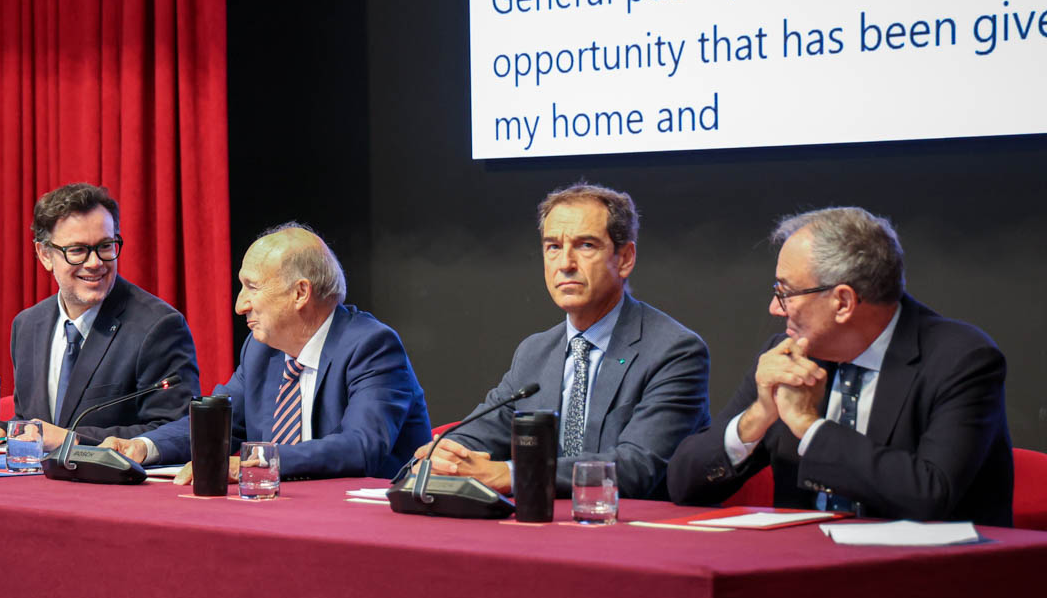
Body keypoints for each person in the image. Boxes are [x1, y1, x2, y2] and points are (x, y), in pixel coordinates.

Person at [667, 207, 1013, 526]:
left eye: (785, 292)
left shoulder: (960, 359)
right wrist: (758, 416)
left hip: (924, 566)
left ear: (843, 302)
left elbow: (930, 495)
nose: (775, 307)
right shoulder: (789, 354)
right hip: (802, 560)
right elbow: (683, 485)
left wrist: (808, 425)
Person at [416, 183, 709, 499]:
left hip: (634, 525)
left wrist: (511, 474)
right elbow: (478, 434)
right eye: (553, 246)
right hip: (546, 523)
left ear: (625, 258)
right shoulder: (535, 352)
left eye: (586, 245)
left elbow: (636, 466)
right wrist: (444, 457)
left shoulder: (674, 351)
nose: (565, 264)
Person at [102, 224, 432, 482]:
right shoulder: (261, 350)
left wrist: (257, 462)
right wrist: (143, 446)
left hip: (364, 521)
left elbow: (361, 446)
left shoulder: (371, 346)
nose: (239, 305)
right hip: (279, 511)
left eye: (252, 287)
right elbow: (219, 424)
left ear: (300, 293)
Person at [10, 183, 200, 450]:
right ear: (45, 255)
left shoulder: (158, 326)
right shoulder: (27, 326)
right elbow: (28, 423)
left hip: (117, 477)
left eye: (105, 246)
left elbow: (179, 430)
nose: (95, 263)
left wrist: (72, 440)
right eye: (77, 250)